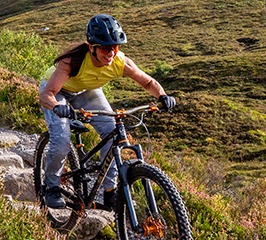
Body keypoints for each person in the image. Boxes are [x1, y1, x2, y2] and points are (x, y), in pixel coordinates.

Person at [38, 14, 176, 209]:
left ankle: (110, 191)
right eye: (104, 47)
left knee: (114, 135)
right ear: (91, 47)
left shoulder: (121, 62)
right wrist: (57, 107)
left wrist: (162, 96)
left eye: (115, 47)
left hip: (87, 91)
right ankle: (50, 187)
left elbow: (148, 82)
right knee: (61, 138)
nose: (110, 52)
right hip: (58, 92)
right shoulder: (72, 61)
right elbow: (47, 95)